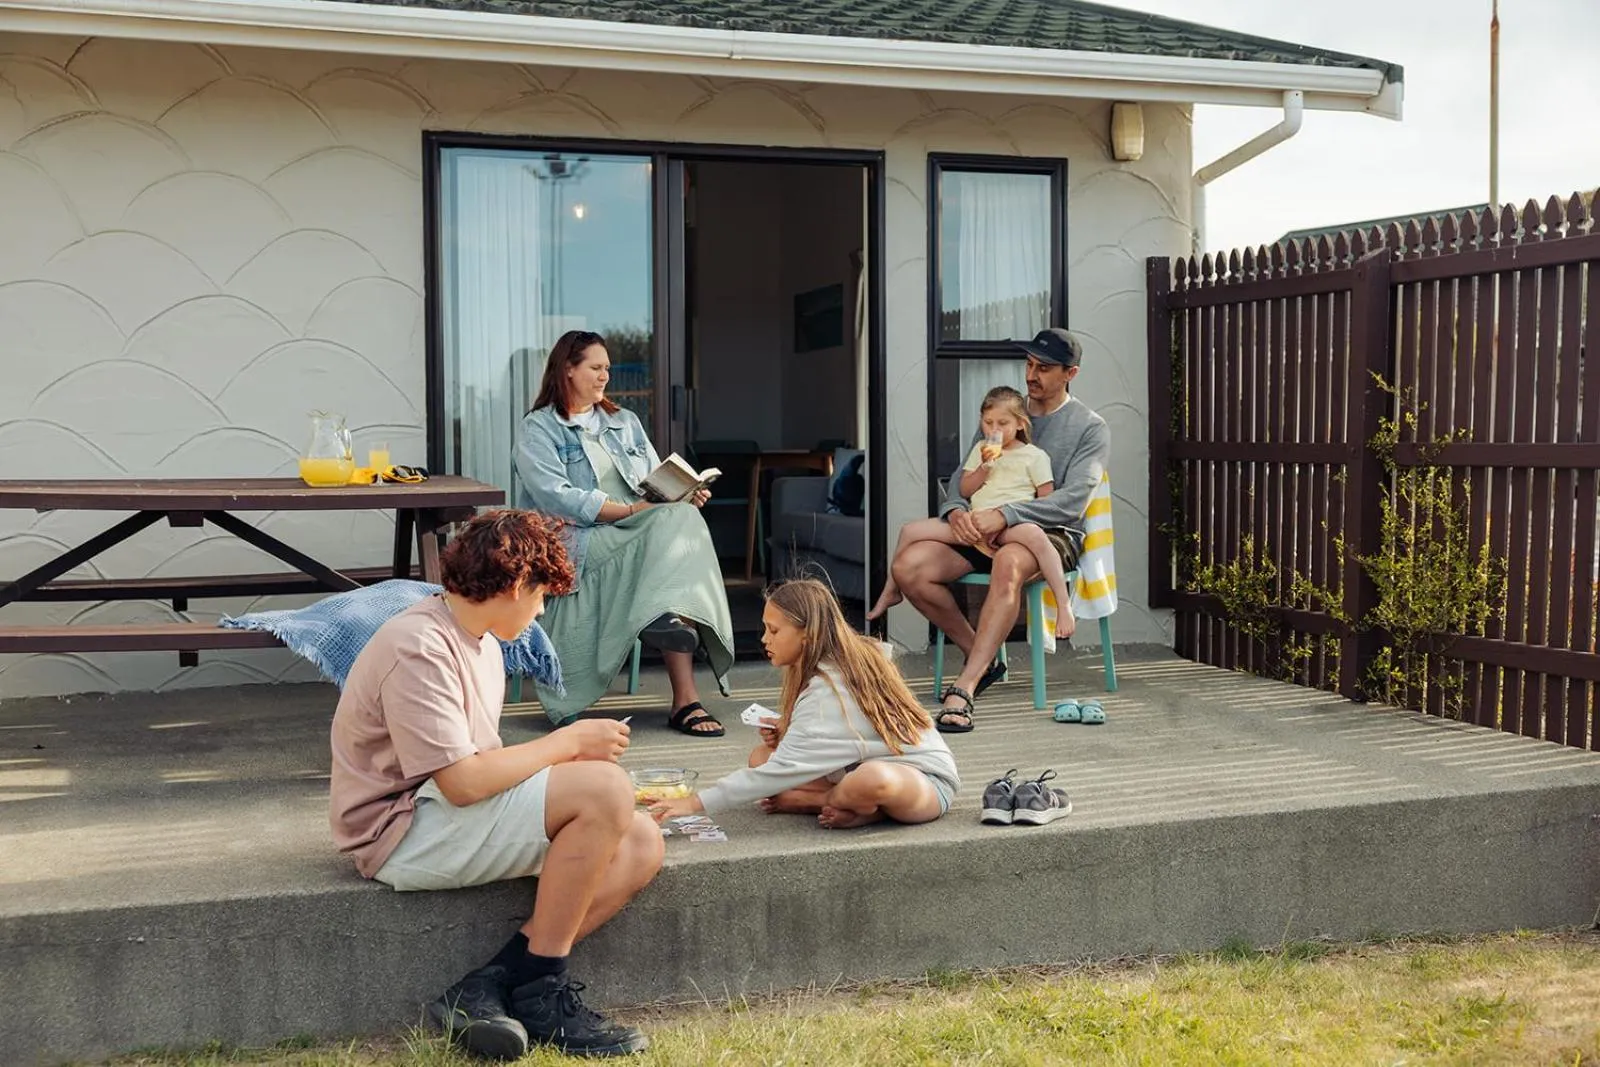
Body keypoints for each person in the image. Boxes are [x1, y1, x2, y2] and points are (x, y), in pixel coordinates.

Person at [329, 510, 662, 1060]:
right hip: (398, 830)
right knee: (603, 790)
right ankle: (544, 989)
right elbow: (462, 783)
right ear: (513, 585)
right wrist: (568, 743)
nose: (540, 611)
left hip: (438, 812)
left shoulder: (475, 638)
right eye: (541, 596)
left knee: (642, 838)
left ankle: (496, 984)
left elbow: (481, 766)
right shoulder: (420, 646)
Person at [884, 327, 1109, 734]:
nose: (1031, 374)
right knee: (909, 567)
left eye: (1044, 367)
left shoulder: (1089, 427)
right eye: (1028, 363)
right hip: (981, 527)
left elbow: (1072, 501)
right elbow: (963, 477)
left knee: (1008, 561)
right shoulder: (1002, 413)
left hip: (1048, 533)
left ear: (1070, 373)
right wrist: (955, 512)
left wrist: (1007, 514)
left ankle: (965, 687)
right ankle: (984, 658)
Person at [513, 329, 735, 736]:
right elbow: (555, 498)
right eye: (595, 368)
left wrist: (681, 495)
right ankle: (685, 698)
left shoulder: (624, 422)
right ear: (567, 369)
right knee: (674, 533)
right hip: (578, 543)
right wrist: (633, 510)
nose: (604, 377)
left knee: (683, 518)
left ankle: (668, 630)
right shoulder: (539, 429)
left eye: (607, 370)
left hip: (637, 530)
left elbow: (654, 481)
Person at [645, 578, 960, 830]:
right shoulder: (830, 667)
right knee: (760, 757)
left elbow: (784, 769)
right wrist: (788, 728)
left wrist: (694, 803)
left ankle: (817, 801)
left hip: (923, 784)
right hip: (853, 768)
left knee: (869, 779)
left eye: (774, 630)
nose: (764, 640)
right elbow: (845, 734)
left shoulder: (829, 690)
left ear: (807, 634)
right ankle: (859, 810)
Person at [868, 385, 1075, 641]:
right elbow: (965, 489)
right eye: (988, 422)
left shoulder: (1034, 456)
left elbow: (1045, 500)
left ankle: (1064, 605)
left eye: (1002, 423)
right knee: (909, 530)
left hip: (1011, 525)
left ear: (1020, 424)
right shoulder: (980, 450)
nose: (994, 430)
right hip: (974, 527)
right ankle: (891, 589)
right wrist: (984, 469)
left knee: (1036, 537)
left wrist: (1009, 516)